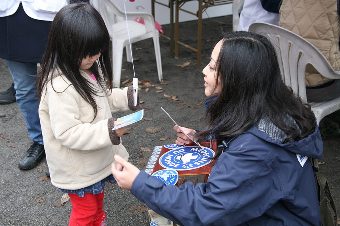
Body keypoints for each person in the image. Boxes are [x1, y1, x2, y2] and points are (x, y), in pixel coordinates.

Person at [112, 32, 323, 226]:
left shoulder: (256, 151)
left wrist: (139, 183)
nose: (204, 70)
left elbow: (207, 209)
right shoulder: (273, 107)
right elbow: (244, 140)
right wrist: (203, 138)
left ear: (236, 79)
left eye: (212, 67)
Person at [38, 3, 140, 225]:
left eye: (97, 51)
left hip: (94, 160)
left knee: (97, 201)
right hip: (77, 167)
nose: (94, 57)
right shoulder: (60, 86)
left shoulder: (88, 67)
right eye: (88, 54)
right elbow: (68, 132)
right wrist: (108, 130)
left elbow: (104, 96)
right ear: (66, 47)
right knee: (85, 211)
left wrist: (126, 97)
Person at [0, 0, 69, 170]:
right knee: (24, 89)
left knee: (65, 84)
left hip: (51, 14)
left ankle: (71, 138)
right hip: (9, 16)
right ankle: (40, 140)